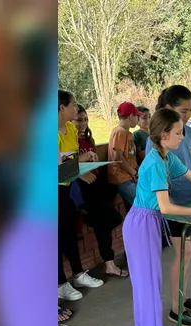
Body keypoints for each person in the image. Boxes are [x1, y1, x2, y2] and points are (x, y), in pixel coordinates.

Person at [123, 108, 191, 326]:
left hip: (149, 223)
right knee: (149, 287)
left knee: (146, 286)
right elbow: (165, 206)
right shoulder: (154, 162)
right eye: (177, 132)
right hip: (141, 223)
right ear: (163, 134)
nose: (181, 136)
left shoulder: (167, 157)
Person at [145, 85, 191, 326]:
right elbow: (162, 195)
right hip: (173, 207)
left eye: (190, 111)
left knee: (187, 254)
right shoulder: (156, 148)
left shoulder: (187, 136)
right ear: (167, 111)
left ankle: (181, 299)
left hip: (190, 201)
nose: (186, 118)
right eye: (182, 112)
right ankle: (175, 310)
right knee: (182, 254)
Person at [71, 104, 129, 278]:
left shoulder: (88, 139)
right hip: (83, 188)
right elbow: (65, 166)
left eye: (86, 120)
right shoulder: (68, 140)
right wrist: (82, 174)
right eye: (79, 120)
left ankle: (109, 263)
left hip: (96, 185)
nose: (83, 124)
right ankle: (109, 264)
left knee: (107, 220)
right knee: (107, 219)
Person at [58, 90, 104, 301]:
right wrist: (81, 159)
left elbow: (70, 163)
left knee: (69, 232)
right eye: (73, 105)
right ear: (61, 108)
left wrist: (82, 161)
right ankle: (60, 283)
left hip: (67, 189)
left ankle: (77, 274)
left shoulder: (69, 128)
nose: (76, 109)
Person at [107, 102, 142, 207]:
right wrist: (133, 172)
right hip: (121, 178)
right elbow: (118, 157)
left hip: (129, 176)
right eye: (137, 116)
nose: (138, 119)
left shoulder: (127, 133)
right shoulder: (120, 132)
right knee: (143, 200)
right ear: (131, 116)